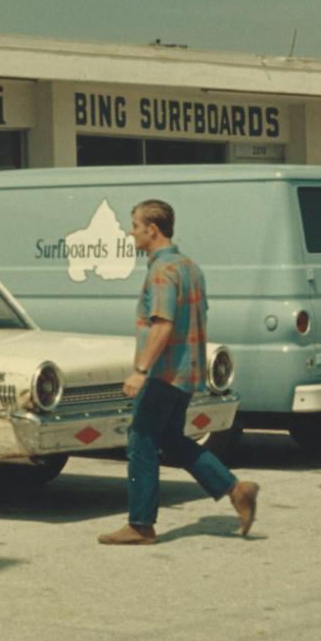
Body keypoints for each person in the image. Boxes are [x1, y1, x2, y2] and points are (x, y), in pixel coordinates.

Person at [99, 199, 259, 546]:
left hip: (163, 374)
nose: (131, 232)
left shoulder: (161, 271)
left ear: (152, 229)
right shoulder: (190, 267)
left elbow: (163, 324)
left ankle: (141, 525)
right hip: (188, 372)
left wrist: (141, 370)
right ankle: (236, 489)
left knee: (140, 439)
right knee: (170, 439)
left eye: (135, 226)